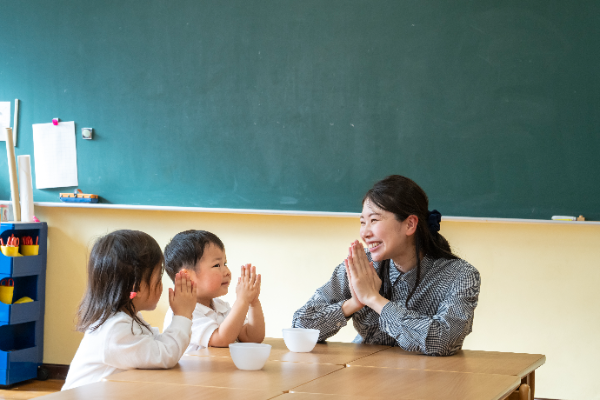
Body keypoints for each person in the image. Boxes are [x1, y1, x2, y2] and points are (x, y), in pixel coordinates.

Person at [292, 175, 481, 356]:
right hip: (366, 375)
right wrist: (353, 303)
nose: (365, 233)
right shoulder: (360, 267)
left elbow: (443, 340)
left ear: (409, 225)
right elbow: (300, 327)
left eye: (374, 220)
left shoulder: (461, 275)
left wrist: (374, 300)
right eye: (362, 222)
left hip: (427, 380)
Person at [63, 230, 197, 391]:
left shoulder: (126, 319)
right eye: (158, 277)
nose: (161, 286)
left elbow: (156, 347)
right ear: (136, 286)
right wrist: (182, 315)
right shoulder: (115, 328)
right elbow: (165, 355)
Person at [163, 230, 265, 352]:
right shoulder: (183, 313)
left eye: (225, 263)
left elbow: (252, 337)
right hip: (192, 371)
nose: (227, 271)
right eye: (217, 265)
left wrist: (253, 302)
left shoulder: (221, 307)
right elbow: (221, 339)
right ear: (187, 276)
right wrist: (242, 300)